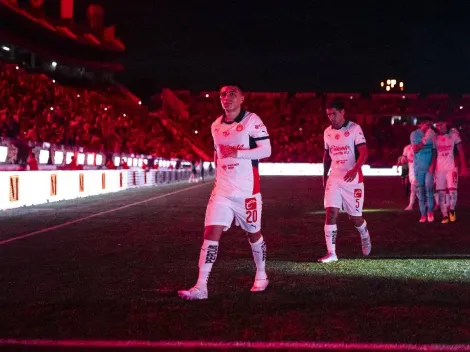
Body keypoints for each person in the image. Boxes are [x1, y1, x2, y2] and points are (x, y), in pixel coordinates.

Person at [178, 85, 272, 300]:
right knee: (210, 234)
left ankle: (261, 274)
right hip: (222, 190)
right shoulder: (215, 126)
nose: (226, 98)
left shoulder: (251, 120)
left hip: (247, 191)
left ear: (241, 98)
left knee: (253, 234)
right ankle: (201, 286)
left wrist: (237, 153)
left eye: (232, 94)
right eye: (222, 94)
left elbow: (267, 150)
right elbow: (216, 153)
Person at [319, 99, 371, 263]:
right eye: (328, 114)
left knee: (355, 217)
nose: (331, 117)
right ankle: (332, 253)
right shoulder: (327, 132)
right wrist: (324, 174)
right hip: (334, 177)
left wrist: (355, 169)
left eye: (334, 113)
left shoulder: (355, 129)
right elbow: (327, 155)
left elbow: (364, 153)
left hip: (352, 179)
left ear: (343, 112)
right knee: (331, 213)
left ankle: (364, 233)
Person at [434, 121, 468, 223]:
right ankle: (444, 215)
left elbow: (461, 150)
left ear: (446, 124)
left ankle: (452, 210)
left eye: (442, 124)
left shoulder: (453, 135)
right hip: (439, 170)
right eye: (438, 125)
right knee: (441, 193)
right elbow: (434, 154)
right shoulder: (435, 138)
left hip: (451, 168)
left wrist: (464, 166)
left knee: (453, 190)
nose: (440, 127)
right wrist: (432, 169)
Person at [410, 119, 436, 223]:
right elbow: (415, 149)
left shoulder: (433, 134)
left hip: (429, 168)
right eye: (426, 123)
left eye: (429, 123)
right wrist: (425, 139)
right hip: (418, 168)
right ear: (420, 124)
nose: (428, 125)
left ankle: (430, 212)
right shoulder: (415, 134)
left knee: (429, 190)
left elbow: (434, 151)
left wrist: (432, 165)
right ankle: (423, 215)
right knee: (420, 192)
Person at [400, 144, 418, 210]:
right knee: (415, 189)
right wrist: (403, 160)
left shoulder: (421, 146)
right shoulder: (407, 148)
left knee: (414, 188)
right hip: (411, 172)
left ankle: (411, 204)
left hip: (420, 171)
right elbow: (403, 159)